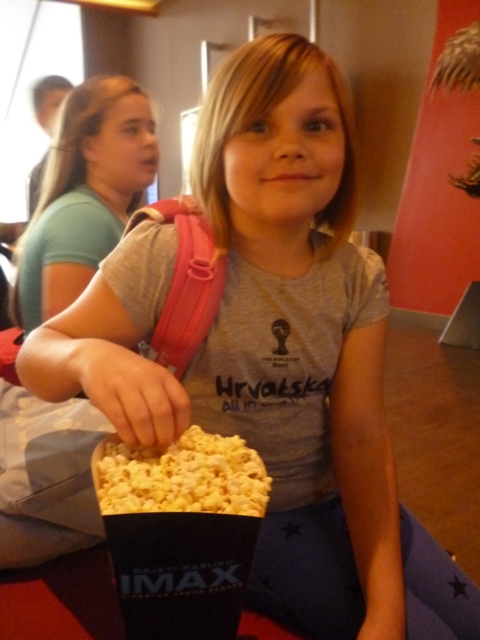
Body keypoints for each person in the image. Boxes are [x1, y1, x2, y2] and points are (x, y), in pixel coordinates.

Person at [14, 34, 480, 639]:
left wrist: (385, 607)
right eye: (258, 126)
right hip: (231, 524)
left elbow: (361, 436)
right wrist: (89, 356)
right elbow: (38, 354)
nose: (290, 145)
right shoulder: (164, 253)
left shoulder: (358, 275)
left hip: (333, 500)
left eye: (317, 125)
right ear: (216, 146)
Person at [11, 74, 160, 334]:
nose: (150, 140)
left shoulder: (103, 213)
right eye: (131, 129)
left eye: (151, 129)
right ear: (89, 147)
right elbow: (70, 344)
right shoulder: (81, 219)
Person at [27, 75, 74, 218]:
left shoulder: (98, 157)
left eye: (71, 103)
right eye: (58, 104)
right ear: (40, 119)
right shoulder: (39, 174)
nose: (68, 111)